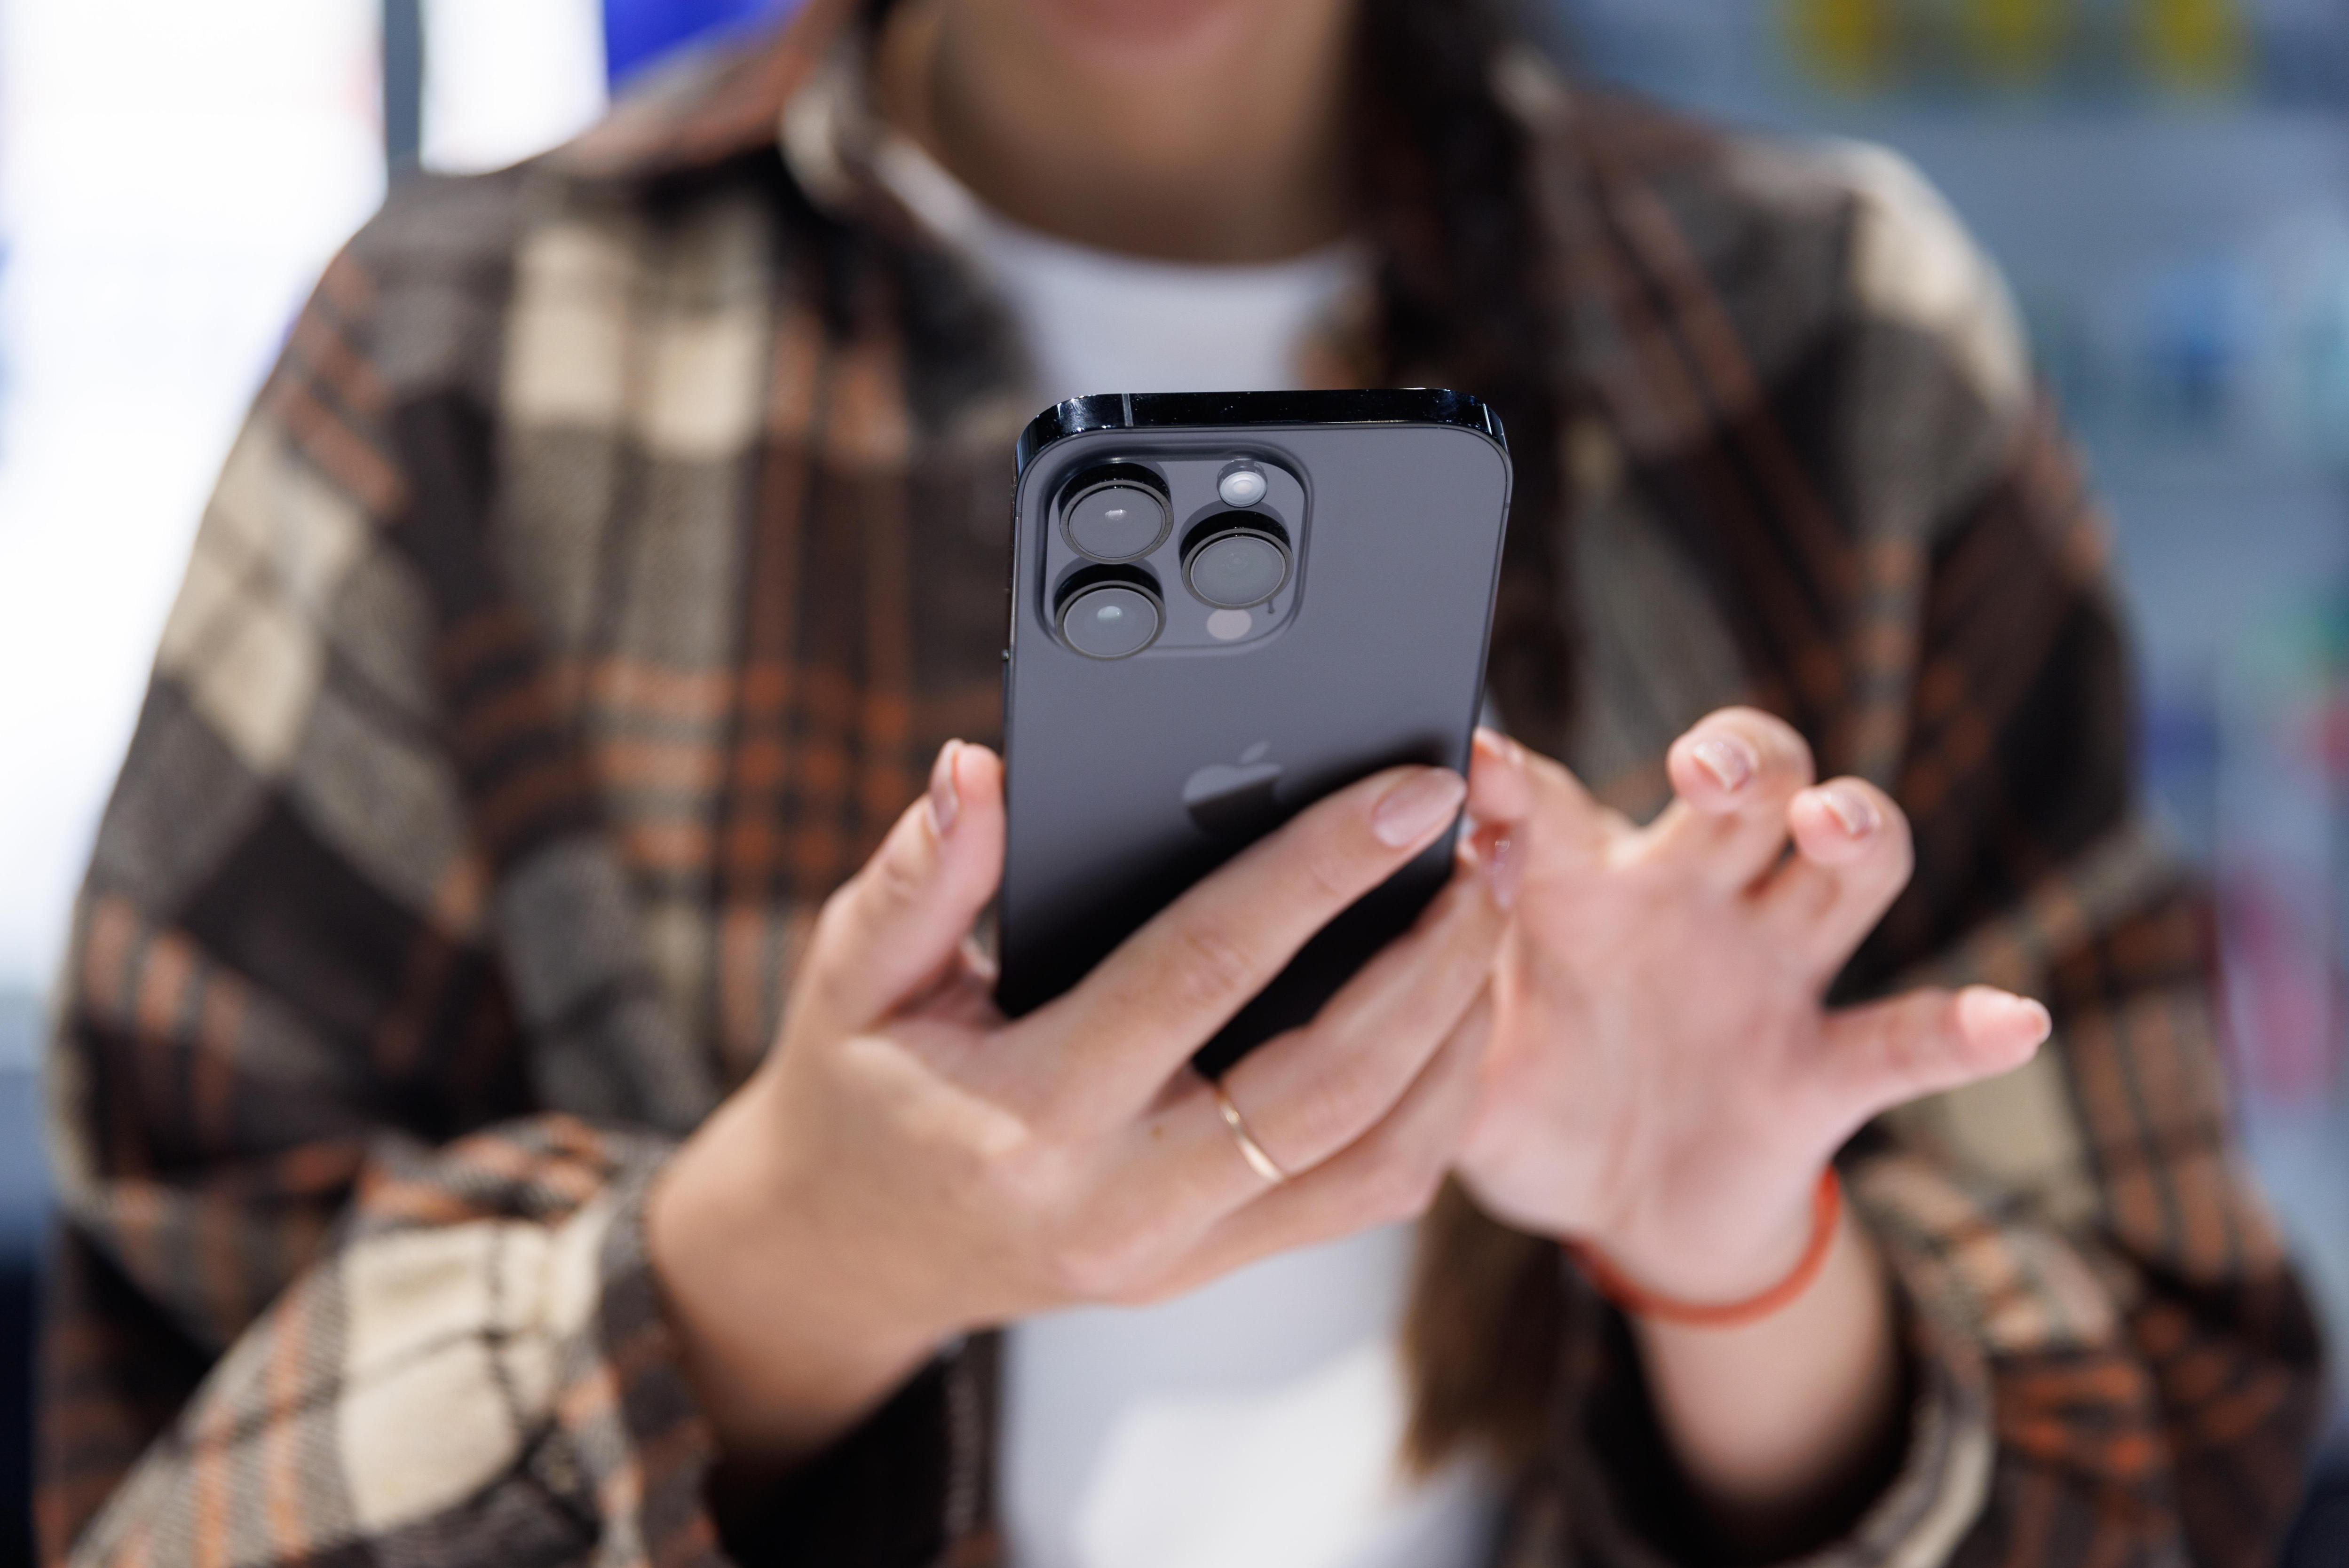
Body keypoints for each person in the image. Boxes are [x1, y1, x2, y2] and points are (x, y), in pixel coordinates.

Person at [38, 0, 2324, 1564]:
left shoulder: (1834, 341)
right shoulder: (460, 352)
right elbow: (170, 1472)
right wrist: (785, 1257)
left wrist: (1742, 1268)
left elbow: (2175, 1465)